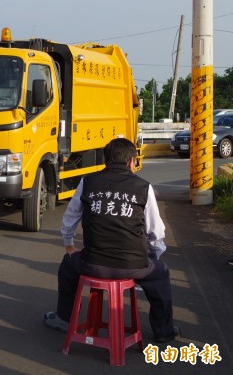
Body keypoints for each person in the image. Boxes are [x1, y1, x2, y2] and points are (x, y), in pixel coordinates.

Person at [44, 138, 179, 343]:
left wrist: (69, 244)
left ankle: (64, 319)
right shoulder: (144, 187)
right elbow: (156, 232)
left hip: (92, 264)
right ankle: (164, 331)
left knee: (67, 267)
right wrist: (152, 256)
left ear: (106, 160)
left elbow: (71, 216)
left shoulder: (88, 182)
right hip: (135, 266)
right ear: (132, 162)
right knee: (160, 274)